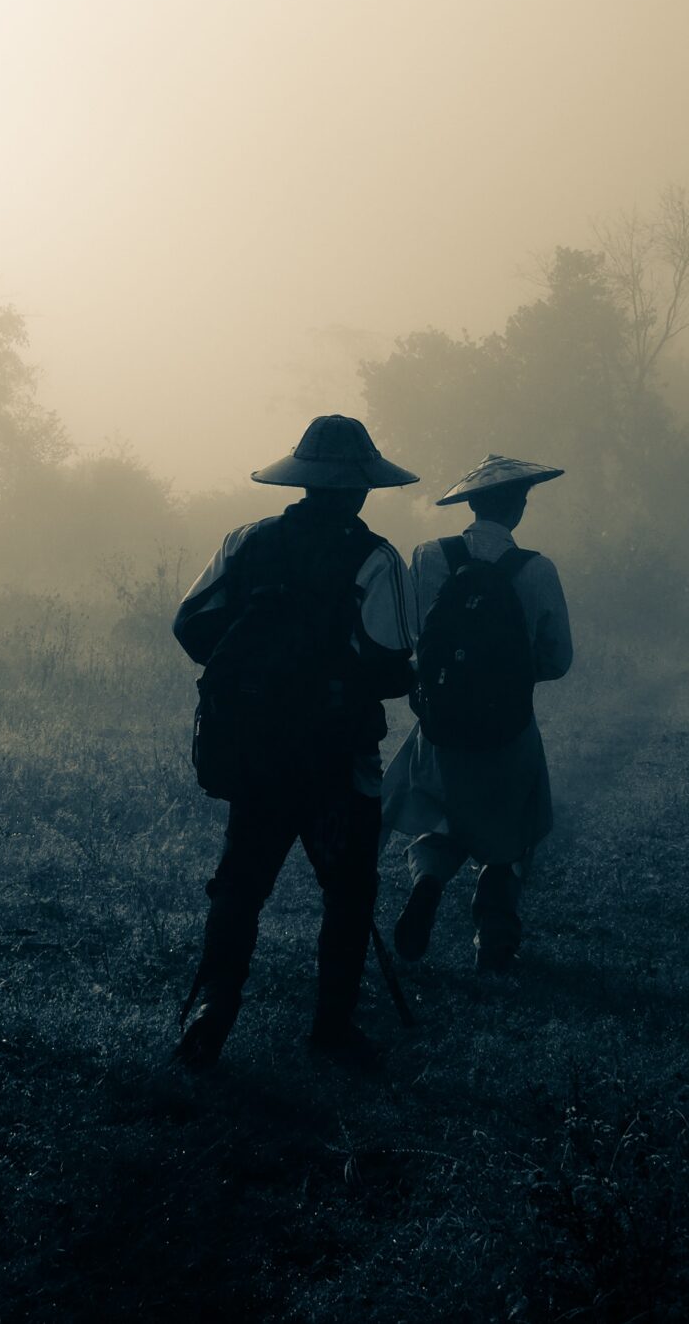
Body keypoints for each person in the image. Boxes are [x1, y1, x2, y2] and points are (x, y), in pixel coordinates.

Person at [171, 415, 416, 1070]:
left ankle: (210, 1009)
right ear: (362, 487)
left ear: (304, 480)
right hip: (337, 758)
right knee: (348, 891)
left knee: (240, 886)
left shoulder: (248, 541)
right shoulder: (377, 558)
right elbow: (394, 669)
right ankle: (332, 1028)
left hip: (254, 749)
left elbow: (191, 626)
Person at [383, 454, 572, 971]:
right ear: (519, 508)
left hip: (440, 724)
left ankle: (427, 881)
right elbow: (558, 658)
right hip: (508, 728)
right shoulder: (537, 569)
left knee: (442, 813)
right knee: (514, 825)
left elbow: (409, 635)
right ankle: (494, 934)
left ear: (470, 504)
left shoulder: (426, 556)